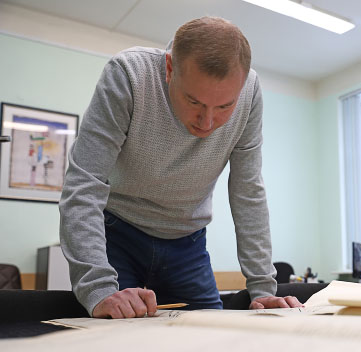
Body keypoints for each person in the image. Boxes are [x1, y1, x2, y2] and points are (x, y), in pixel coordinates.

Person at [59, 16, 302, 319]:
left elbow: (247, 191)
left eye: (224, 106)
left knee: (209, 336)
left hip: (188, 244)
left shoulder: (250, 91)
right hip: (116, 234)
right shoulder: (129, 74)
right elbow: (84, 182)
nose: (207, 122)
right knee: (116, 335)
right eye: (194, 101)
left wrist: (264, 290)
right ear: (170, 69)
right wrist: (98, 288)